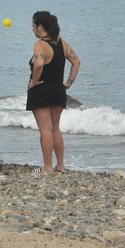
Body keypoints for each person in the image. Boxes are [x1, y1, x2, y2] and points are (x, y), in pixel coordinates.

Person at [26, 11, 81, 173]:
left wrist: (34, 83)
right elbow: (76, 62)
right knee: (55, 128)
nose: (32, 29)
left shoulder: (40, 45)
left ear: (41, 27)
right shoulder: (62, 43)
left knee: (45, 129)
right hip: (58, 90)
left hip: (42, 90)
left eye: (33, 26)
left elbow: (39, 64)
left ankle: (48, 167)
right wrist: (69, 83)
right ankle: (61, 166)